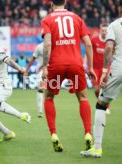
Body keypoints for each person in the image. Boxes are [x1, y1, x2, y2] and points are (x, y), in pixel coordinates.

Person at [40, 0, 97, 152]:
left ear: (51, 4)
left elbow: (47, 44)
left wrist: (45, 66)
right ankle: (88, 133)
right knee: (83, 98)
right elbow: (89, 44)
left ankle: (53, 134)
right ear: (65, 2)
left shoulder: (47, 19)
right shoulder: (77, 18)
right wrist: (90, 67)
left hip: (56, 65)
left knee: (49, 97)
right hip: (75, 64)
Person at [80, 1, 122, 158]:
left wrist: (105, 71)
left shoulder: (114, 25)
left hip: (118, 68)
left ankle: (97, 148)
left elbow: (109, 47)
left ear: (119, 9)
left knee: (101, 103)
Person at [91, 23, 111, 115]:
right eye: (103, 30)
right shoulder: (94, 40)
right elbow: (89, 51)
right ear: (100, 30)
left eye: (106, 31)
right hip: (95, 68)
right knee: (96, 90)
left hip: (106, 68)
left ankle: (106, 106)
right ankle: (100, 102)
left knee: (105, 88)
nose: (104, 32)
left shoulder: (110, 42)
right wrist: (85, 62)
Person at [25, 42, 45, 117]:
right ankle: (40, 111)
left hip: (51, 69)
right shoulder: (39, 47)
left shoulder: (54, 45)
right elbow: (33, 59)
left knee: (50, 91)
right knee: (41, 88)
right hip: (40, 71)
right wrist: (27, 70)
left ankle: (48, 108)